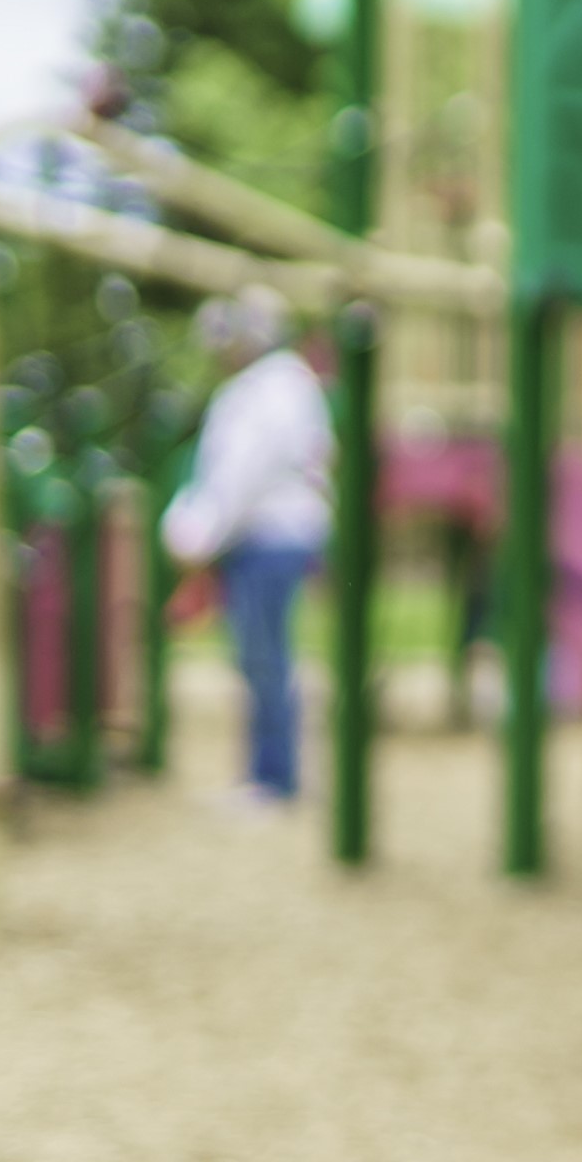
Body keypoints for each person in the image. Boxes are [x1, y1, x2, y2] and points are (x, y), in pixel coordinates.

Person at [159, 285, 332, 807]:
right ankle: (269, 774)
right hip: (281, 537)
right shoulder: (289, 384)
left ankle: (272, 779)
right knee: (267, 659)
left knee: (263, 660)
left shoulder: (262, 391)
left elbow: (238, 477)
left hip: (265, 540)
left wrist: (195, 537)